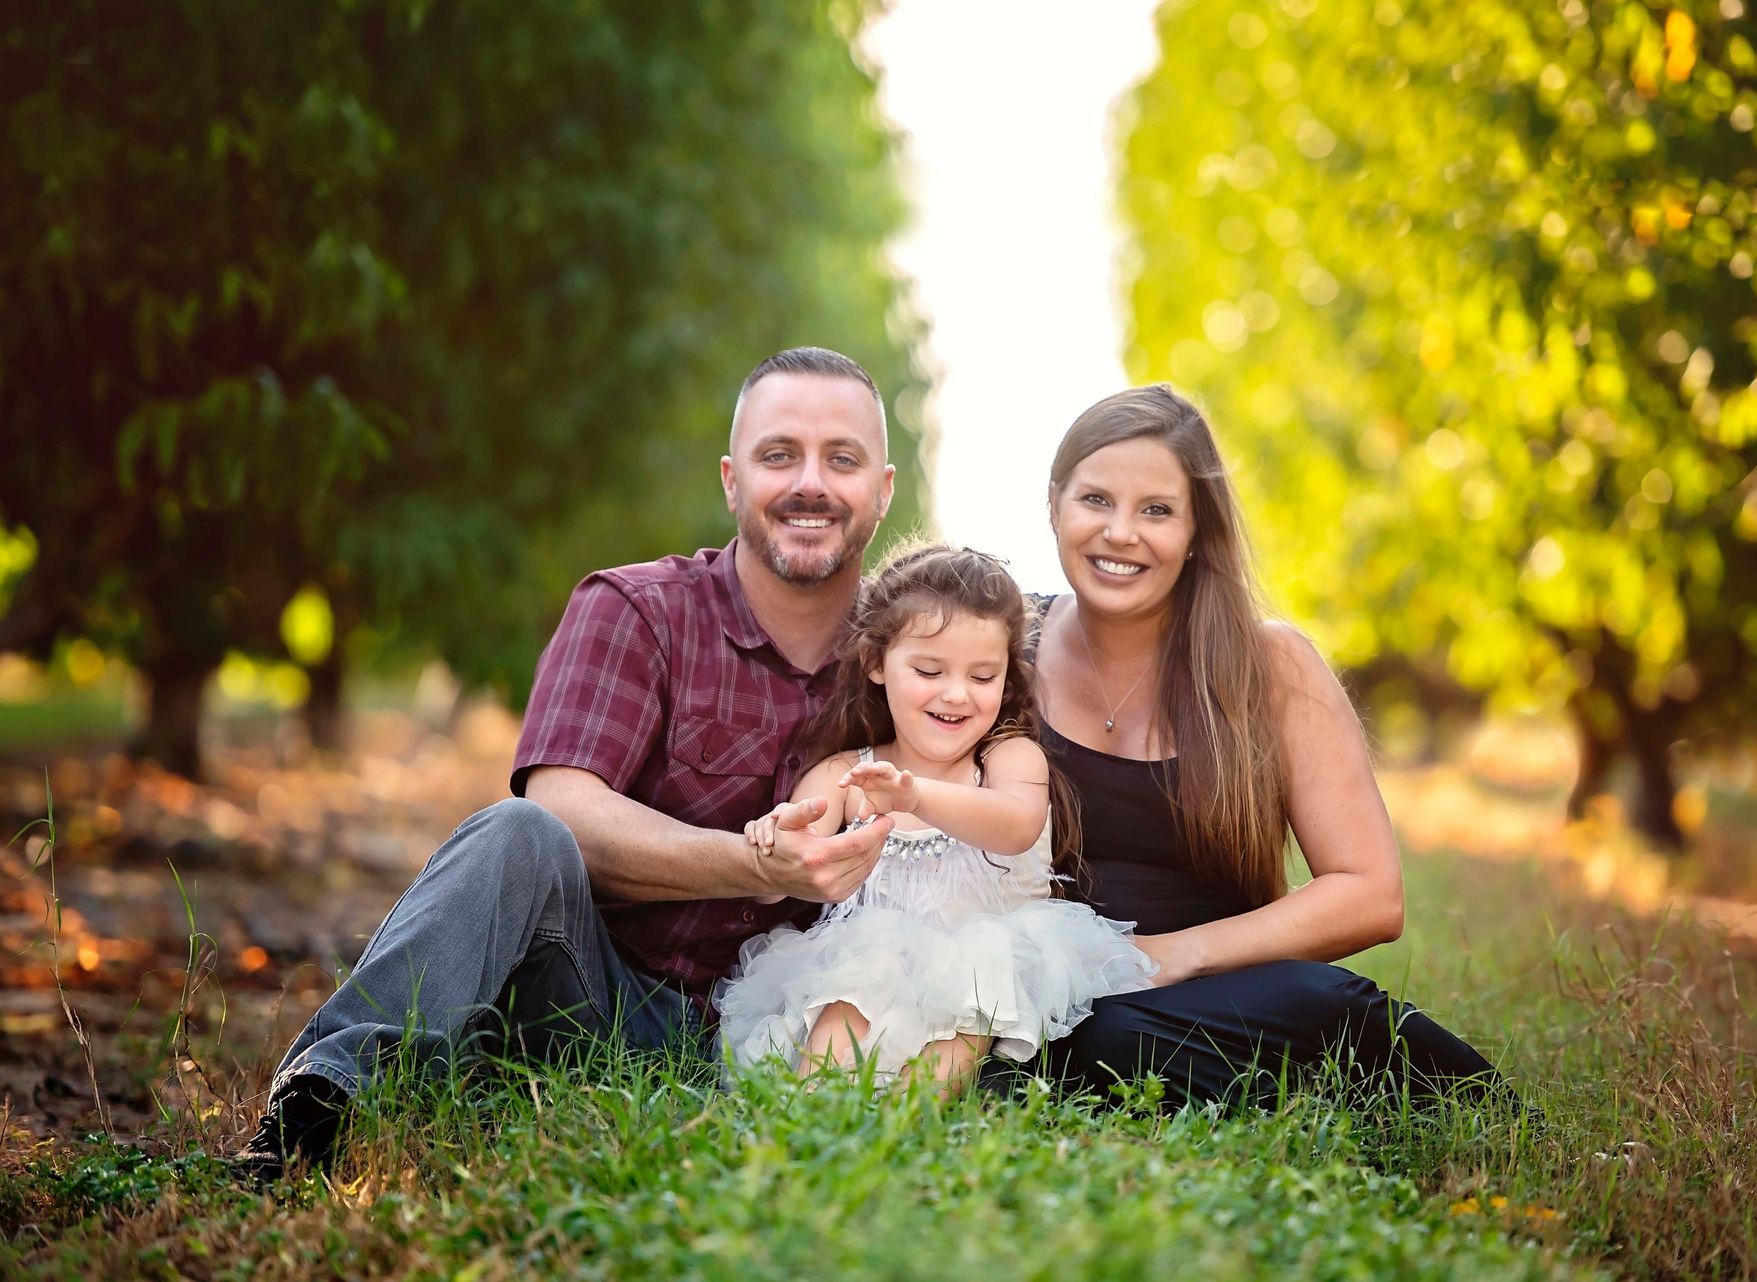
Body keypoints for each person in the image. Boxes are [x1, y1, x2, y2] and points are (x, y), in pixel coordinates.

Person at [232, 346, 905, 1178]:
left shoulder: (922, 661)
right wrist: (760, 865)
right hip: (599, 1004)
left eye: (842, 459)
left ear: (883, 490)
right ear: (732, 481)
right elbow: (566, 810)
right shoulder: (637, 611)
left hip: (789, 1046)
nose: (810, 483)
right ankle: (321, 1106)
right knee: (518, 831)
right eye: (779, 455)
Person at [1014, 385, 1504, 1109]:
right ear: (1054, 503)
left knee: (1314, 1001)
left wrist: (1172, 958)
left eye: (1157, 510)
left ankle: (1475, 1118)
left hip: (1227, 991)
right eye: (1095, 501)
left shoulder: (1270, 666)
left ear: (1194, 531)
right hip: (1051, 998)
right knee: (1095, 1035)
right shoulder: (1000, 648)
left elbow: (1370, 894)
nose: (1121, 533)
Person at [714, 544, 1157, 1092]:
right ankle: (812, 1123)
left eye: (983, 676)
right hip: (868, 970)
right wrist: (773, 846)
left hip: (986, 964)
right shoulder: (847, 775)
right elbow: (780, 881)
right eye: (929, 669)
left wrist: (914, 795)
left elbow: (1015, 826)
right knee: (846, 998)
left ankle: (904, 1127)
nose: (956, 694)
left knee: (973, 991)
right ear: (876, 663)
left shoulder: (1008, 759)